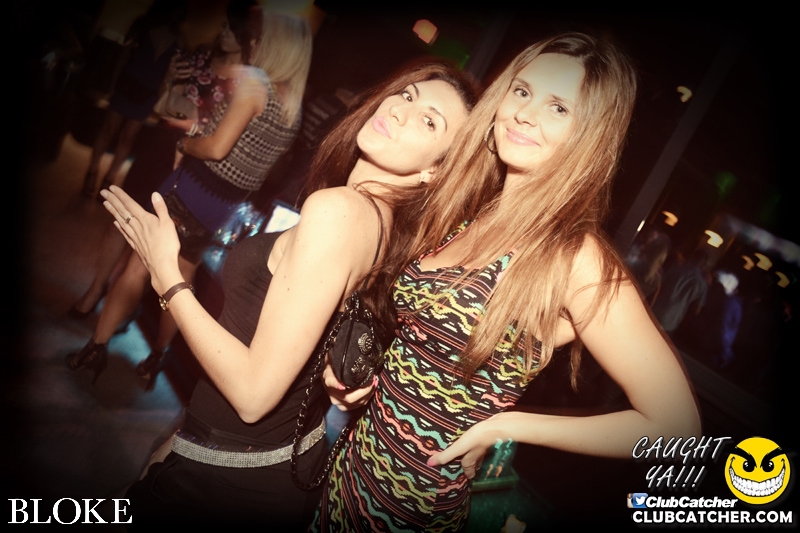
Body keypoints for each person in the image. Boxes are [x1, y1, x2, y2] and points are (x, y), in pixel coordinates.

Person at [315, 32, 701, 532]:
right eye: (521, 92)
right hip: (346, 475)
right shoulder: (469, 214)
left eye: (558, 107)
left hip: (408, 513)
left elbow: (677, 428)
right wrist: (360, 378)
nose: (524, 114)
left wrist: (508, 424)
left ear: (587, 135)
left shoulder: (573, 257)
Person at [99, 59, 475, 527]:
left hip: (227, 477)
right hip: (261, 455)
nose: (400, 110)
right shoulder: (383, 225)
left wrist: (167, 277)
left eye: (429, 121)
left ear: (435, 171)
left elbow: (253, 394)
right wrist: (183, 441)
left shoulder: (339, 211)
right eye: (407, 94)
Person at [65, 8, 312, 387]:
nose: (255, 41)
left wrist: (184, 144)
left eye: (261, 37)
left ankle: (95, 348)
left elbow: (216, 148)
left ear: (275, 46)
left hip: (193, 188)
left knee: (137, 265)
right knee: (181, 280)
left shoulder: (255, 83)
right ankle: (157, 356)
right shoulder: (293, 107)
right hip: (222, 206)